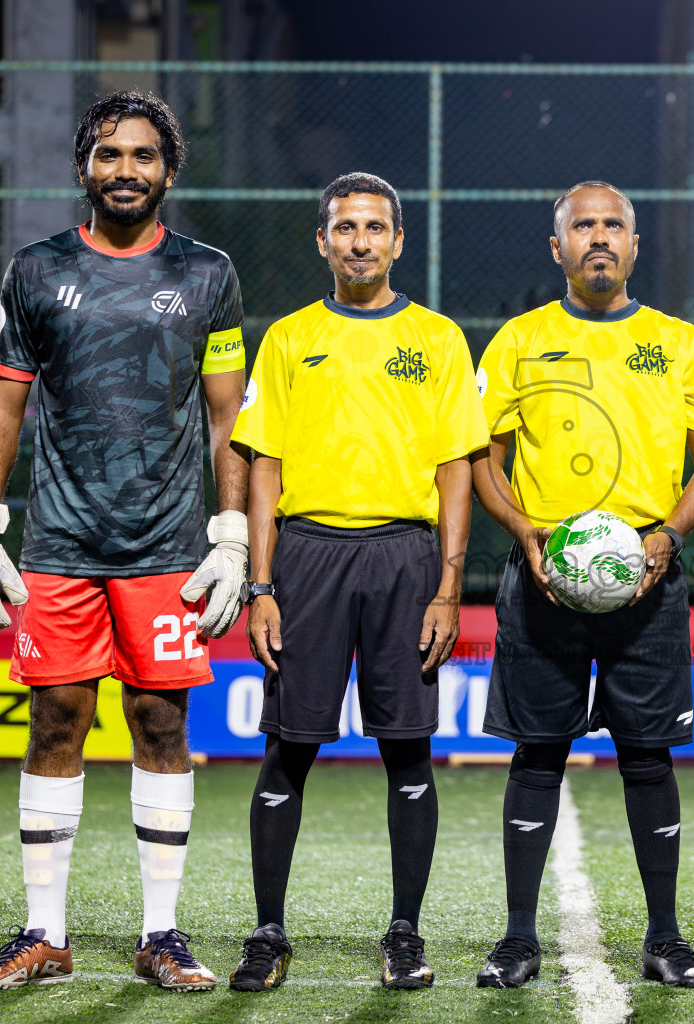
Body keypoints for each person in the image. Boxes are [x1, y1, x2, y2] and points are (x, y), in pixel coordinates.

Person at [0, 91, 249, 992]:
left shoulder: (209, 274)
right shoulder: (36, 271)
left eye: (144, 156)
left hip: (165, 547)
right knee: (57, 721)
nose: (126, 170)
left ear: (169, 168)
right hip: (59, 548)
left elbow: (227, 413)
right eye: (109, 155)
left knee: (161, 723)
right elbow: (5, 402)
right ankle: (44, 933)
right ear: (84, 165)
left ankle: (161, 935)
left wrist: (231, 534)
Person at [228, 172, 487, 993]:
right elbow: (262, 467)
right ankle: (268, 932)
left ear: (398, 240)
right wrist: (259, 584)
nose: (360, 240)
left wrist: (449, 587)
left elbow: (457, 471)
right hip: (305, 558)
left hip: (405, 560)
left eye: (375, 227)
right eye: (345, 227)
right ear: (323, 241)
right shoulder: (288, 337)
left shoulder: (440, 339)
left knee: (409, 751)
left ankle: (404, 932)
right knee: (289, 749)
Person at [472, 181, 694, 989]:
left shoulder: (679, 342)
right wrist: (522, 532)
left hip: (648, 581)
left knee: (648, 757)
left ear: (634, 243)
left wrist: (666, 537)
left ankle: (665, 936)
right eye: (582, 226)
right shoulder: (518, 339)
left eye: (613, 225)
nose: (598, 238)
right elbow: (482, 459)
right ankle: (518, 939)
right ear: (558, 248)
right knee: (536, 754)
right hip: (545, 577)